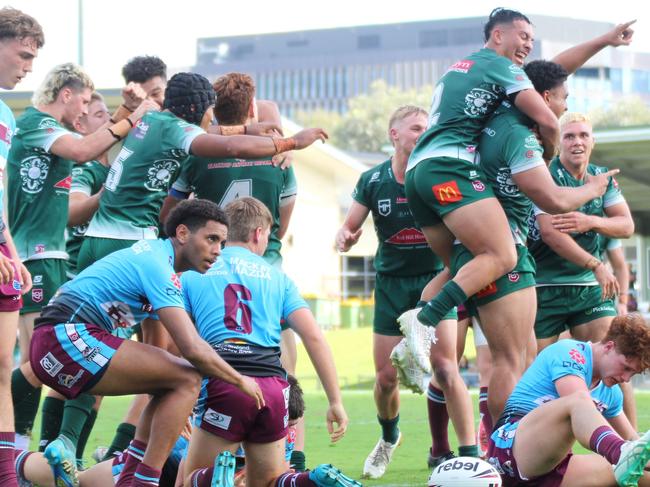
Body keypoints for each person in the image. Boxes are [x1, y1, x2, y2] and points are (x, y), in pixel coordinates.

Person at [14, 198, 265, 487]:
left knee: (172, 382)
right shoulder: (158, 266)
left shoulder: (159, 260)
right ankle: (142, 480)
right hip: (66, 336)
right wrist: (240, 381)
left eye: (222, 242)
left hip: (58, 340)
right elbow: (192, 349)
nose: (218, 251)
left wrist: (176, 403)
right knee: (187, 378)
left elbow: (159, 351)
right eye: (211, 239)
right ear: (182, 234)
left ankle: (24, 462)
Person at [7, 62, 156, 460]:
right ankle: (21, 454)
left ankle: (63, 452)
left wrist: (127, 116)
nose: (96, 112)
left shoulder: (93, 150)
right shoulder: (45, 130)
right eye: (90, 103)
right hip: (50, 261)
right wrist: (132, 120)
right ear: (68, 95)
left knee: (90, 356)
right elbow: (83, 150)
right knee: (46, 361)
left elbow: (95, 139)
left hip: (106, 280)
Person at [160, 71, 308, 470]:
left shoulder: (201, 154)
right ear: (252, 105)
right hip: (267, 266)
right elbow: (283, 218)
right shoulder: (276, 155)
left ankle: (174, 450)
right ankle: (289, 462)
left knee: (189, 357)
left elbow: (171, 213)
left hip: (209, 268)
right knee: (283, 374)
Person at [400, 8, 559, 352]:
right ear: (497, 35)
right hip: (449, 168)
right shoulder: (500, 66)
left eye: (532, 39)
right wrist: (549, 154)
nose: (528, 45)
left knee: (460, 266)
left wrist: (605, 40)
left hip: (419, 173)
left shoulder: (462, 68)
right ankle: (423, 322)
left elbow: (554, 74)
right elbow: (548, 119)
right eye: (523, 36)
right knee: (503, 256)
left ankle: (413, 346)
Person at [336, 105, 475, 476]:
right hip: (391, 286)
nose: (422, 133)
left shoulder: (435, 175)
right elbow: (348, 225)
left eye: (426, 128)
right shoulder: (373, 180)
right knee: (385, 378)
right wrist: (345, 236)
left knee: (446, 369)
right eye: (415, 127)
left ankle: (471, 457)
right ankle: (388, 437)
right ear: (393, 135)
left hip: (435, 281)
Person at [181, 197, 358, 487]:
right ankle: (312, 481)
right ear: (259, 234)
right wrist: (335, 401)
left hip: (225, 380)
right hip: (273, 388)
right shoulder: (279, 278)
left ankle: (215, 476)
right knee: (268, 482)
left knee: (190, 479)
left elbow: (179, 338)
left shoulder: (196, 271)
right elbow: (313, 336)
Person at [486, 314, 650, 486]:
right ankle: (617, 451)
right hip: (511, 449)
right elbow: (580, 406)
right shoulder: (569, 353)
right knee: (579, 401)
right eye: (625, 367)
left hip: (552, 468)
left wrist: (639, 457)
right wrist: (622, 451)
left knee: (637, 473)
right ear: (609, 347)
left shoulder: (611, 393)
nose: (626, 378)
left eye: (633, 373)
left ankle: (618, 452)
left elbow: (633, 443)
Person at [529, 112, 634, 352]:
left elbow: (627, 226)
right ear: (558, 143)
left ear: (593, 141)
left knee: (612, 356)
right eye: (569, 136)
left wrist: (590, 222)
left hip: (589, 288)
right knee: (534, 369)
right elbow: (550, 234)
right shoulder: (545, 175)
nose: (577, 141)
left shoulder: (602, 178)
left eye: (584, 135)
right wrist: (596, 265)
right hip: (543, 286)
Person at [0, 6, 43, 486]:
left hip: (3, 254)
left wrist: (9, 249)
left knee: (3, 368)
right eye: (23, 54)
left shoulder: (5, 113)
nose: (28, 66)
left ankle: (7, 477)